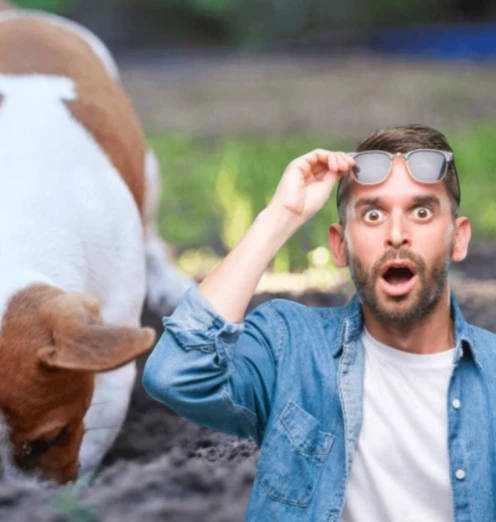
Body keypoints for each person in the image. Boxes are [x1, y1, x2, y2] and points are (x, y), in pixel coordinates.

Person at [141, 123, 496, 521]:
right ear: (339, 245)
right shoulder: (290, 345)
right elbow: (176, 373)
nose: (397, 234)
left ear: (458, 238)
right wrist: (281, 216)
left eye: (422, 211)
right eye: (373, 214)